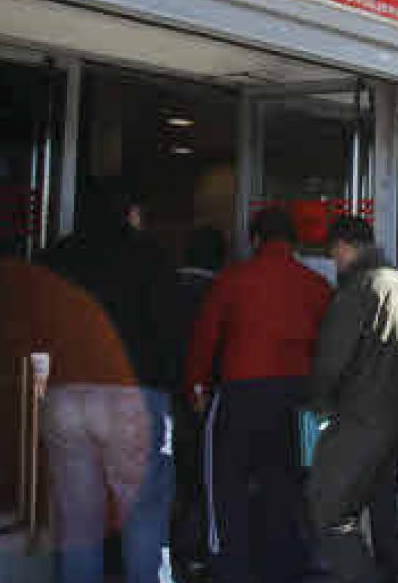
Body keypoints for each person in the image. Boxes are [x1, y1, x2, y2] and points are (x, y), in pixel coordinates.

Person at [34, 179, 178, 583]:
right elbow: (169, 329)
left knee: (79, 518)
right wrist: (170, 387)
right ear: (128, 212)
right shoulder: (148, 256)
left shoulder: (55, 257)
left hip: (68, 395)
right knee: (142, 513)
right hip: (132, 391)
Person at [185, 208, 332, 583]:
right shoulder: (317, 285)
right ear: (294, 243)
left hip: (241, 392)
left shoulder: (232, 280)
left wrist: (197, 388)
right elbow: (331, 349)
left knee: (226, 488)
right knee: (288, 486)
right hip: (301, 399)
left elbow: (205, 339)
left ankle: (230, 569)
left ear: (254, 240)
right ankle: (285, 568)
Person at [308, 216, 398, 583]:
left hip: (360, 420)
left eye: (334, 255)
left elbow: (332, 361)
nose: (335, 263)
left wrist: (317, 404)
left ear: (344, 247)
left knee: (329, 512)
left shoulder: (360, 287)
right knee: (391, 521)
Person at [171, 227, 227, 583]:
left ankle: (166, 550)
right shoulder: (220, 292)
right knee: (200, 478)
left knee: (169, 477)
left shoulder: (166, 287)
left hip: (162, 393)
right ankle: (193, 554)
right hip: (205, 398)